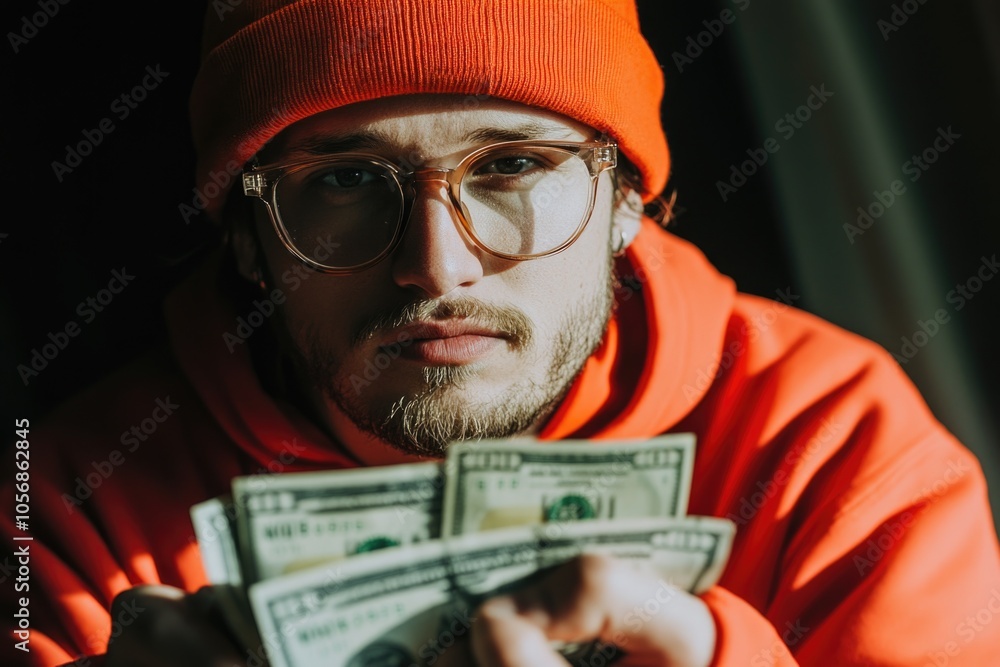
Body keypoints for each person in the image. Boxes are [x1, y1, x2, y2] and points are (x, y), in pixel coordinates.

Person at [5, 0, 1000, 665]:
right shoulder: (55, 502)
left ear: (626, 202)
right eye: (346, 181)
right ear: (250, 241)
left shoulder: (838, 440)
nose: (436, 267)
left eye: (513, 164)